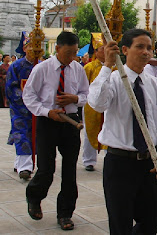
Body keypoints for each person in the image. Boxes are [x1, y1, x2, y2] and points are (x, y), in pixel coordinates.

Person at [88, 29, 157, 233]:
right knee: (120, 224)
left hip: (150, 164)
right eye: (140, 47)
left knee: (152, 220)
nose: (146, 52)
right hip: (120, 164)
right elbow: (97, 103)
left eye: (148, 48)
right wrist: (107, 66)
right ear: (125, 50)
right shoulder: (112, 81)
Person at [22, 31, 89, 230]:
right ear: (57, 49)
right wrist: (46, 112)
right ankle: (34, 197)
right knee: (46, 169)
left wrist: (75, 99)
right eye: (68, 53)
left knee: (70, 171)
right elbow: (29, 96)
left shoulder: (78, 69)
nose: (72, 57)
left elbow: (86, 93)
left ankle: (65, 213)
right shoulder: (42, 69)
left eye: (75, 53)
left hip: (71, 123)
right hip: (48, 122)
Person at [6, 39, 37, 180]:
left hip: (36, 108)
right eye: (30, 47)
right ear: (24, 48)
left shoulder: (41, 66)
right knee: (21, 134)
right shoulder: (17, 66)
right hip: (19, 108)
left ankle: (20, 162)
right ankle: (25, 168)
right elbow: (11, 87)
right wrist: (24, 99)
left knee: (33, 135)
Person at [82, 36, 108, 172]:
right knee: (89, 131)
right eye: (102, 49)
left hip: (109, 105)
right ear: (96, 52)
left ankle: (108, 156)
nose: (105, 52)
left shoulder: (115, 68)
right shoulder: (89, 67)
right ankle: (89, 160)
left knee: (109, 129)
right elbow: (83, 87)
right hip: (91, 106)